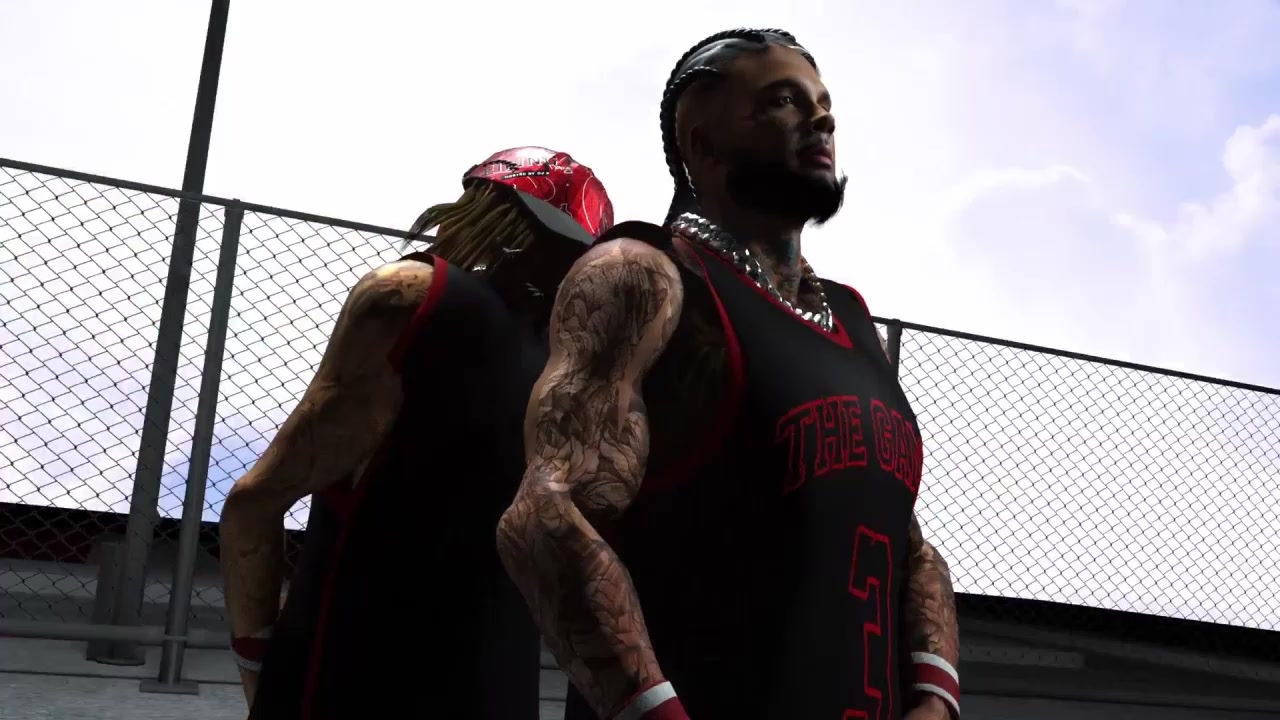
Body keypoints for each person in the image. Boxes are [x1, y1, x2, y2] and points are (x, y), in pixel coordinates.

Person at [497, 30, 960, 720]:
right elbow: (545, 518)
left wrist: (936, 698)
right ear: (703, 144)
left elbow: (907, 543)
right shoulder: (644, 276)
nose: (821, 119)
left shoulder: (852, 318)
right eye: (783, 101)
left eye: (823, 104)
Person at [218, 146, 615, 720]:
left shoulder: (413, 299)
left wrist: (260, 667)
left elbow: (254, 502)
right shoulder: (574, 363)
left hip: (350, 663)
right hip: (494, 674)